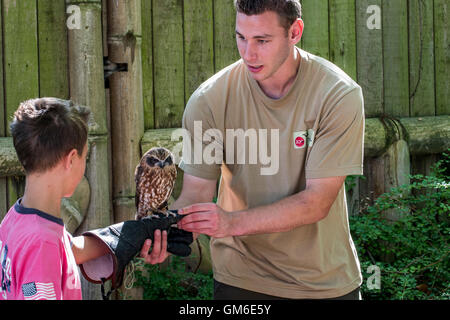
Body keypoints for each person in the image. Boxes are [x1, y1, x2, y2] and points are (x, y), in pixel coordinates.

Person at [142, 0, 365, 300]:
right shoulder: (209, 100)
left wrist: (231, 222)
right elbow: (196, 195)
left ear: (295, 31)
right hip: (241, 280)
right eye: (241, 38)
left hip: (324, 283)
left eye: (262, 40)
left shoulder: (338, 95)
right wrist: (163, 236)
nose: (249, 53)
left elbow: (317, 202)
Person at [0, 98, 168, 300]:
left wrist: (131, 236)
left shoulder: (18, 219)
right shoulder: (42, 243)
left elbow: (66, 250)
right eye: (84, 157)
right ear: (71, 159)